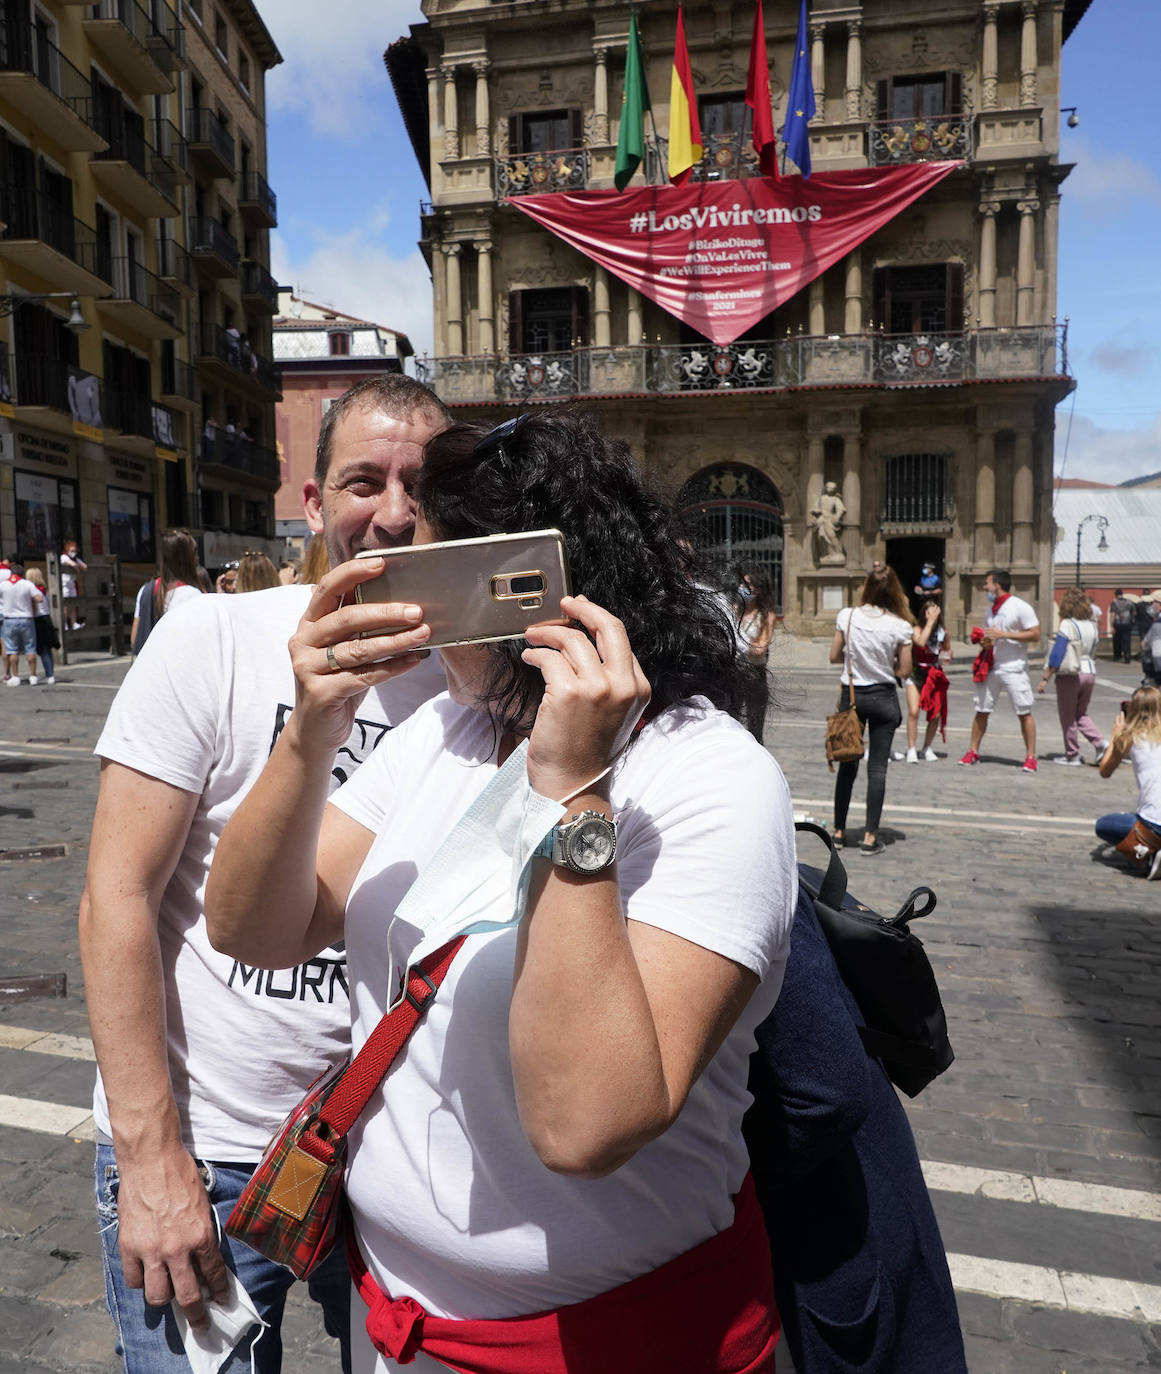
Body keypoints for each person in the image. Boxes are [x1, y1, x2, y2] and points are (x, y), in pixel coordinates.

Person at [205, 407, 797, 1374]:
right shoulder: (449, 730)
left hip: (614, 1344)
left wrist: (573, 792)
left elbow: (584, 1125)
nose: (411, 603)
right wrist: (312, 726)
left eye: (432, 572)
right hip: (390, 1318)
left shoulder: (711, 777)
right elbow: (252, 929)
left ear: (538, 587)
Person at [78, 375, 452, 1372]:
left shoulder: (477, 676)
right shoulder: (214, 638)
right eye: (364, 482)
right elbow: (116, 898)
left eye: (423, 485)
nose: (395, 512)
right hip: (212, 1152)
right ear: (315, 503)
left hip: (395, 1155)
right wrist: (152, 1160)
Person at [745, 888, 968, 1374]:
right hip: (845, 1207)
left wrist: (719, 1176)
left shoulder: (714, 858)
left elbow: (826, 1097)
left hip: (832, 1231)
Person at [829, 567, 913, 855]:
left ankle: (839, 833)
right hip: (883, 698)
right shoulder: (900, 625)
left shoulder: (848, 616)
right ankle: (869, 837)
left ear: (866, 588)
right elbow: (905, 669)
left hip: (852, 697)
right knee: (877, 769)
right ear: (895, 591)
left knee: (847, 766)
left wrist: (857, 658)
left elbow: (834, 656)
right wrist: (884, 664)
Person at [960, 569, 1041, 772]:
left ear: (997, 584)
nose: (984, 587)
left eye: (987, 583)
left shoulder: (1020, 607)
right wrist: (986, 642)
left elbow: (1035, 634)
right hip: (992, 666)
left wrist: (1004, 634)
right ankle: (973, 751)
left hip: (1014, 667)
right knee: (981, 709)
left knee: (1024, 711)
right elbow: (992, 638)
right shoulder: (990, 611)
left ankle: (1031, 756)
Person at [1095, 686, 1161, 880]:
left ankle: (1149, 851)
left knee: (1103, 825)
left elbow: (1105, 771)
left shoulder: (1131, 736)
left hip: (1152, 823)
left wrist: (1115, 736)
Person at [1037, 586, 1106, 766]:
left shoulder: (1067, 624)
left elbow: (1058, 652)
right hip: (1089, 670)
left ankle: (1072, 754)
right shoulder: (1092, 625)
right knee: (1081, 713)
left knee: (1067, 716)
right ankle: (1100, 742)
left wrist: (1046, 677)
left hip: (1071, 672)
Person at [130, 529, 203, 656]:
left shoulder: (145, 590)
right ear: (187, 558)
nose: (198, 558)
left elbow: (134, 640)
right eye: (195, 553)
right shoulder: (192, 595)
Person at [732, 568, 777, 743]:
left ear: (757, 589)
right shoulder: (734, 609)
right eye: (741, 583)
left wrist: (737, 644)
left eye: (746, 584)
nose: (741, 587)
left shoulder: (766, 616)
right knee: (730, 724)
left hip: (754, 674)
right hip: (732, 673)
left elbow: (760, 648)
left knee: (755, 729)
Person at [903, 599, 951, 762]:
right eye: (929, 612)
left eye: (935, 613)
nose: (933, 616)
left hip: (933, 674)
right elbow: (921, 642)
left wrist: (946, 655)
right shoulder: (916, 629)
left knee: (935, 714)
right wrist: (930, 624)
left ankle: (926, 747)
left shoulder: (943, 632)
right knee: (914, 711)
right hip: (917, 673)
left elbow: (946, 651)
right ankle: (911, 748)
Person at [2, 563, 46, 685]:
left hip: (9, 619)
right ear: (22, 574)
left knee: (12, 649)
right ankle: (33, 676)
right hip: (26, 618)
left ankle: (15, 676)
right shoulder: (27, 584)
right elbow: (39, 598)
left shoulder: (3, 585)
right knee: (30, 648)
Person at [25, 567, 60, 685]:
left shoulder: (33, 591)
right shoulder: (44, 589)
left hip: (38, 619)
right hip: (46, 618)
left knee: (41, 649)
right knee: (47, 649)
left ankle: (48, 675)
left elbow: (34, 607)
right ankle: (50, 674)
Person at [61, 539, 87, 629]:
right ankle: (64, 624)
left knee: (73, 604)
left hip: (72, 584)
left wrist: (78, 566)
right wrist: (77, 567)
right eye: (72, 551)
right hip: (64, 584)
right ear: (67, 550)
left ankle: (74, 623)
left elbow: (85, 567)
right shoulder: (64, 557)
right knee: (65, 605)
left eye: (75, 551)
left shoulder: (76, 559)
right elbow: (72, 564)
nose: (73, 553)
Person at [1110, 589, 1135, 665]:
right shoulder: (1129, 602)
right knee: (1127, 641)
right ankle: (1127, 656)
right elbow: (1134, 612)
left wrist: (1111, 626)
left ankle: (1117, 656)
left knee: (1117, 640)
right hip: (1127, 624)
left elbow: (1113, 614)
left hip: (1118, 624)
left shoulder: (1114, 603)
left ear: (1116, 595)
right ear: (1122, 594)